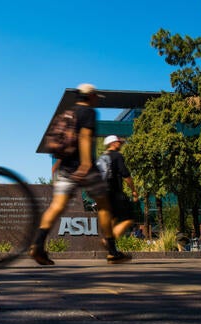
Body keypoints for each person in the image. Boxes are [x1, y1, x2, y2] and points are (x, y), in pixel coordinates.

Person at [30, 83, 129, 265]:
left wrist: (58, 165)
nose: (97, 99)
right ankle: (113, 251)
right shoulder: (88, 113)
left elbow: (62, 143)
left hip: (65, 167)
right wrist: (85, 164)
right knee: (104, 205)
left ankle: (38, 244)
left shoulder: (68, 114)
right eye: (96, 96)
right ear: (90, 96)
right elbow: (84, 137)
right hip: (84, 168)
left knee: (56, 206)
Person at [100, 135, 139, 239]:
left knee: (113, 217)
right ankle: (109, 240)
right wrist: (134, 190)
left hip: (102, 193)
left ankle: (109, 244)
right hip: (115, 192)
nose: (120, 144)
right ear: (113, 143)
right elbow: (125, 175)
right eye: (119, 142)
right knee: (129, 218)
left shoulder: (102, 157)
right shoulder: (117, 156)